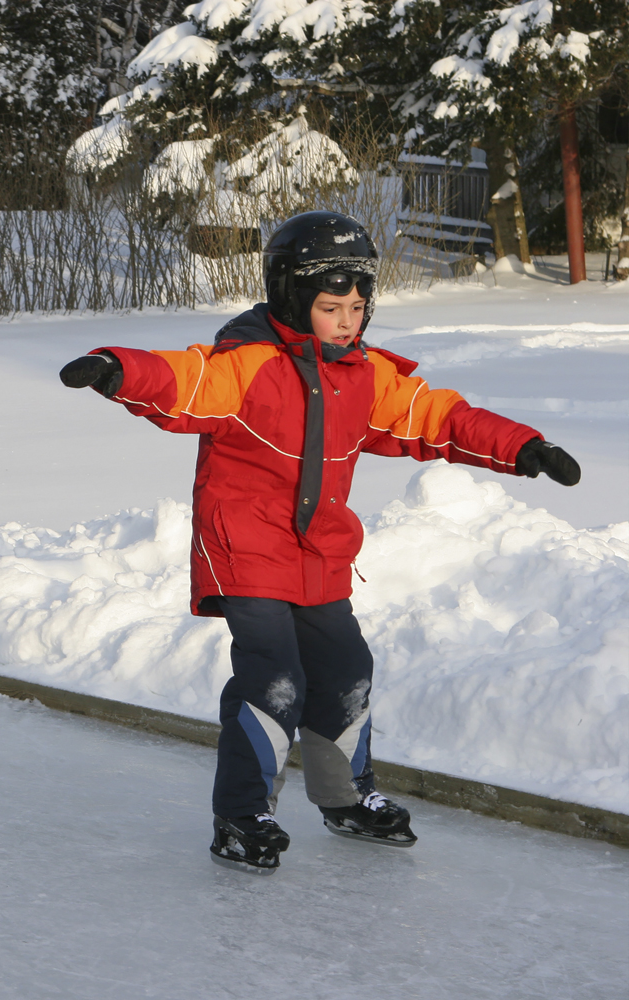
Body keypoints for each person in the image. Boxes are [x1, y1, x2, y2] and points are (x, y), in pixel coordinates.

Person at [59, 211, 580, 874]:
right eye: (332, 307)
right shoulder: (246, 365)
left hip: (319, 555)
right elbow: (180, 380)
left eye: (358, 306)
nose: (347, 321)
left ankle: (346, 799)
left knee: (344, 674)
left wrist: (524, 446)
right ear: (292, 298)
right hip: (247, 550)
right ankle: (242, 814)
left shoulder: (367, 377)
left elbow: (439, 418)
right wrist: (115, 367)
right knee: (274, 678)